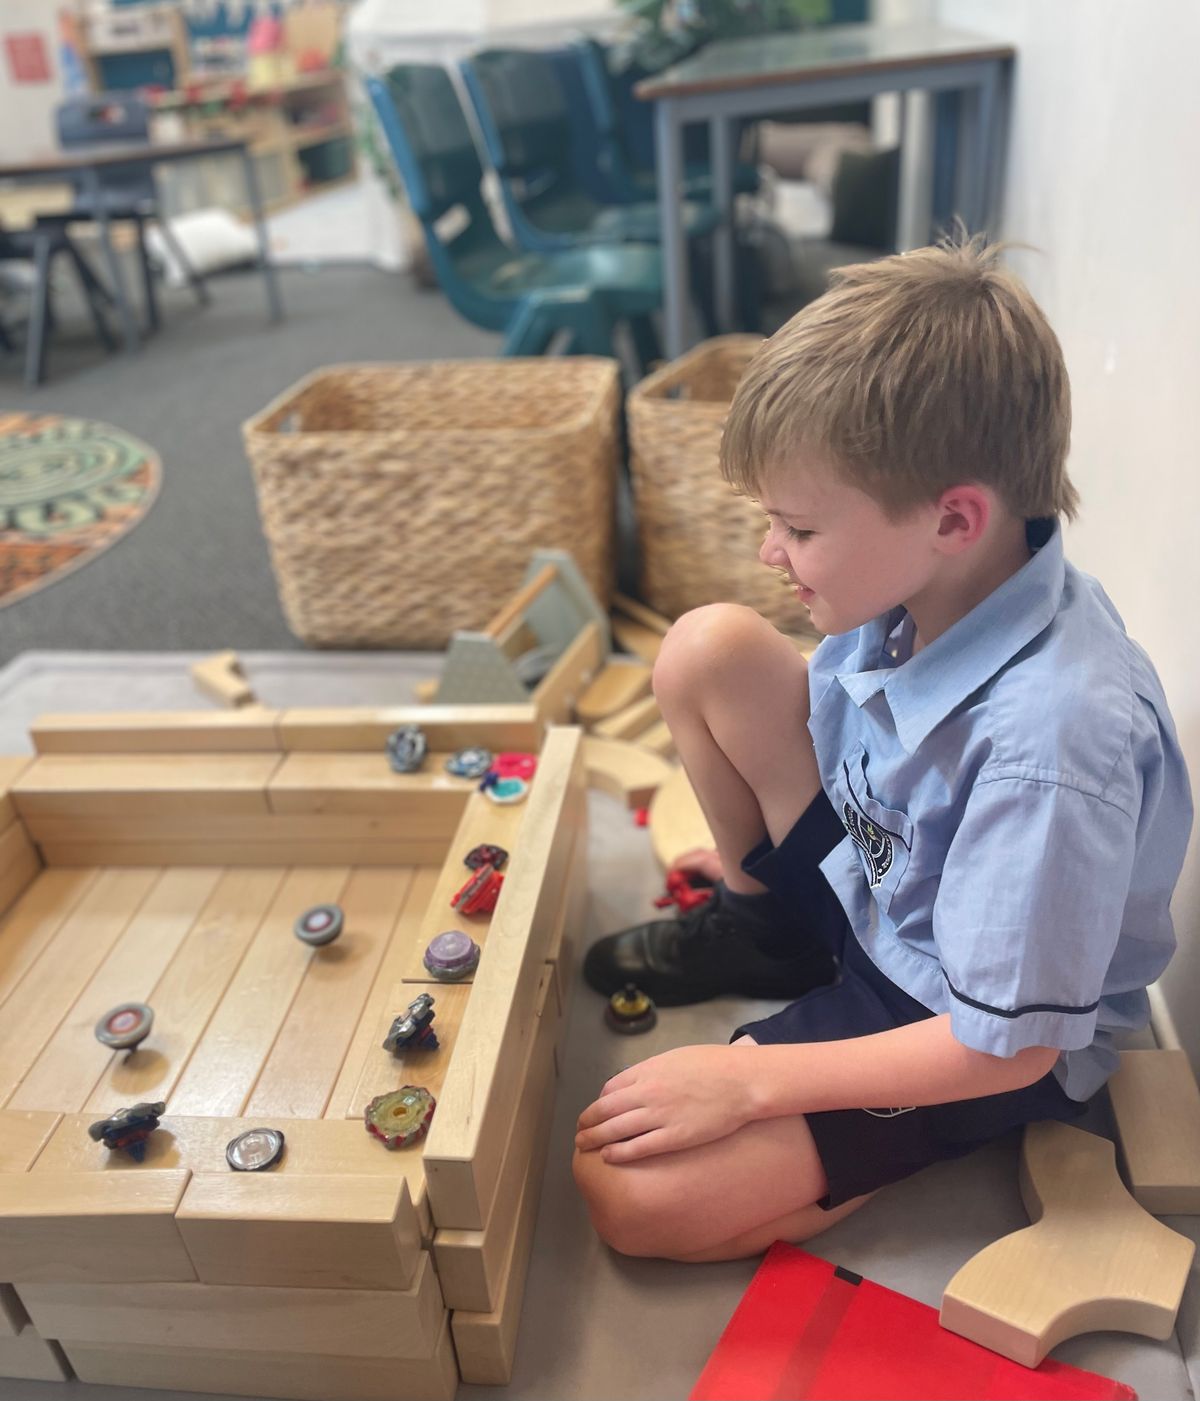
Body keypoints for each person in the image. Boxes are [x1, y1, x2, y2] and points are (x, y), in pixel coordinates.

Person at [572, 233, 1192, 1263]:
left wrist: (748, 1081)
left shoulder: (1053, 743)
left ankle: (888, 1144)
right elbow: (846, 754)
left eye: (801, 531)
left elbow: (1013, 1044)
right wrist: (776, 869)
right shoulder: (934, 580)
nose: (772, 552)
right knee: (706, 649)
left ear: (954, 519)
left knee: (626, 1192)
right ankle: (767, 932)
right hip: (885, 887)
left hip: (959, 1020)